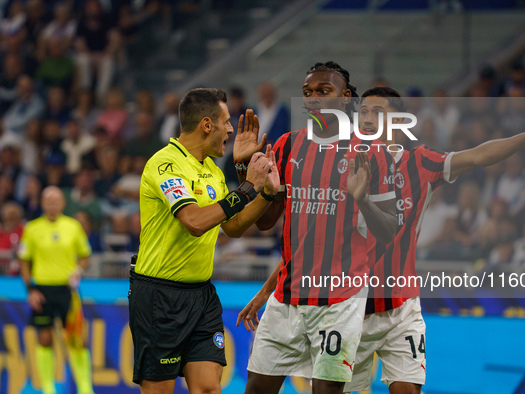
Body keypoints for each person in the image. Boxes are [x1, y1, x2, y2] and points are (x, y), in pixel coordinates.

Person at [239, 87, 525, 394]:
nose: (367, 118)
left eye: (377, 112)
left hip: (400, 309)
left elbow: (478, 156)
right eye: (363, 111)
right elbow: (310, 247)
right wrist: (267, 292)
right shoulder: (335, 166)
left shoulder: (420, 164)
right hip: (349, 311)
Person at [235, 62, 397, 394]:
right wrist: (244, 169)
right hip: (287, 299)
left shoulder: (372, 152)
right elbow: (266, 222)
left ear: (346, 98)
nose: (314, 99)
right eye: (308, 93)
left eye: (324, 91)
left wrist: (363, 200)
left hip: (340, 300)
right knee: (255, 389)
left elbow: (389, 233)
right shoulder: (287, 147)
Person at [129, 88, 279, 394]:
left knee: (209, 388)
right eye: (226, 122)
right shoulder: (165, 164)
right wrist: (248, 188)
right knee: (159, 390)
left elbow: (234, 226)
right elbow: (194, 222)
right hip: (159, 296)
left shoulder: (212, 170)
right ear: (206, 125)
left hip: (201, 296)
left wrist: (265, 193)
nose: (230, 130)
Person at [18, 186, 93, 394]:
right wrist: (31, 290)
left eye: (55, 200)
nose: (52, 204)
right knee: (45, 338)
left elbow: (85, 255)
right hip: (42, 289)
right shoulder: (32, 229)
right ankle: (48, 388)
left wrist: (78, 270)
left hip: (67, 290)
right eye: (47, 200)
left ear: (63, 203)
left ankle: (85, 388)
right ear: (42, 203)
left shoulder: (73, 226)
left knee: (77, 339)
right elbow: (24, 262)